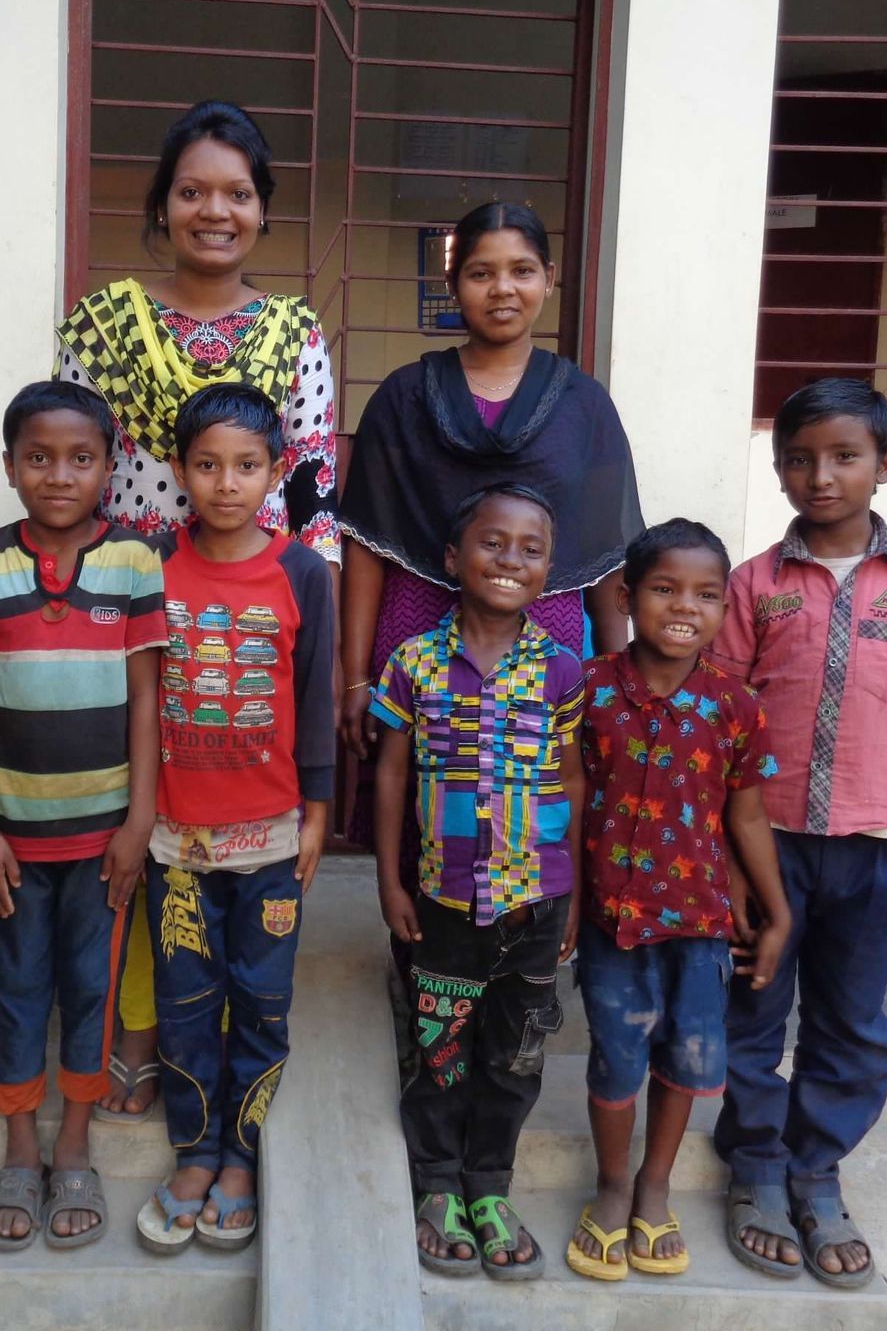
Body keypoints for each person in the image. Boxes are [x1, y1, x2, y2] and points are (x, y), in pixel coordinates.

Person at [55, 99, 339, 1123]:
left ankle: (222, 1039)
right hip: (129, 606)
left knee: (219, 823)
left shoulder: (295, 332)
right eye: (193, 191)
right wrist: (80, 602)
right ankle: (132, 1027)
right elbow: (74, 465)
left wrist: (303, 624)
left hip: (254, 620)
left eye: (237, 193)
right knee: (131, 821)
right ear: (162, 204)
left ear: (263, 211)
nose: (214, 210)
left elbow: (311, 483)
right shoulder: (104, 325)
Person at [709, 380, 887, 1290]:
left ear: (885, 466)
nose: (820, 476)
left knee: (851, 1022)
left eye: (844, 456)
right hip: (768, 844)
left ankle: (816, 1170)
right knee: (751, 1008)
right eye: (798, 458)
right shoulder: (754, 584)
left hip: (874, 847)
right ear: (779, 468)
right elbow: (725, 722)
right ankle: (752, 1166)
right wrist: (729, 861)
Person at [339, 199, 642, 883]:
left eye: (521, 270)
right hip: (417, 622)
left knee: (536, 798)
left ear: (549, 278)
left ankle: (522, 955)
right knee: (421, 792)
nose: (502, 288)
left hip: (547, 633)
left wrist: (624, 680)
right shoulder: (403, 397)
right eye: (481, 272)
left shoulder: (584, 404)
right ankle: (420, 952)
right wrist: (356, 677)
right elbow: (365, 542)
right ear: (453, 286)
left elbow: (602, 554)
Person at [0, 382, 168, 1253]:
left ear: (109, 469)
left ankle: (72, 1145)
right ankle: (17, 1146)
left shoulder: (133, 563)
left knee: (91, 985)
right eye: (38, 458)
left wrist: (137, 823)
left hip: (103, 838)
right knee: (16, 985)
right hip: (11, 836)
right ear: (9, 467)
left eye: (80, 459)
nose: (59, 475)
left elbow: (148, 697)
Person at [130, 384, 336, 1256]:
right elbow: (130, 697)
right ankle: (193, 1151)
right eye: (207, 465)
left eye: (246, 466)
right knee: (185, 1003)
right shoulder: (148, 566)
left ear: (275, 472)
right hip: (175, 837)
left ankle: (243, 1159)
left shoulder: (302, 573)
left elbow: (318, 694)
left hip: (272, 838)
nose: (225, 484)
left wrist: (320, 811)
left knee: (260, 1001)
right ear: (178, 471)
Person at [565, 519, 792, 1282]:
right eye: (664, 589)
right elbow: (570, 793)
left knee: (688, 1059)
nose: (684, 607)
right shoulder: (590, 691)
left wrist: (776, 908)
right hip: (612, 923)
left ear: (727, 609)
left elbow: (747, 814)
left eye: (705, 594)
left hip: (700, 926)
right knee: (616, 1057)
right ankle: (610, 1184)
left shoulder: (735, 704)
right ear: (628, 598)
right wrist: (565, 897)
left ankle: (654, 1188)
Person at [369, 484, 585, 1282]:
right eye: (493, 543)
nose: (511, 560)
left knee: (515, 1055)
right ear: (454, 559)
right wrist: (390, 881)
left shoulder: (561, 670)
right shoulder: (414, 662)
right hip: (444, 898)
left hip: (537, 900)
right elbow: (389, 777)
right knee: (442, 1048)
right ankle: (436, 1185)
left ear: (550, 569)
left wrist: (576, 894)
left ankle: (490, 1185)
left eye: (531, 549)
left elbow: (572, 780)